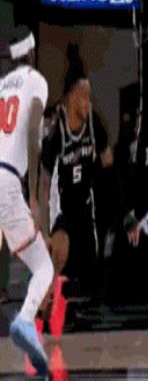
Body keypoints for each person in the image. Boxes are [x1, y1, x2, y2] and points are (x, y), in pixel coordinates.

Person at [41, 45, 112, 309]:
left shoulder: (94, 123)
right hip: (61, 209)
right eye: (83, 97)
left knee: (92, 269)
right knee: (59, 258)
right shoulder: (56, 133)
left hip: (85, 206)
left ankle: (84, 309)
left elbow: (108, 165)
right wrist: (43, 225)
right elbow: (43, 183)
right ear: (71, 98)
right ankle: (43, 309)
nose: (88, 103)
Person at [0, 26, 54, 375]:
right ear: (32, 53)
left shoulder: (1, 86)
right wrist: (33, 192)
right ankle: (25, 319)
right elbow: (33, 131)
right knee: (43, 267)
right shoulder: (36, 82)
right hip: (7, 180)